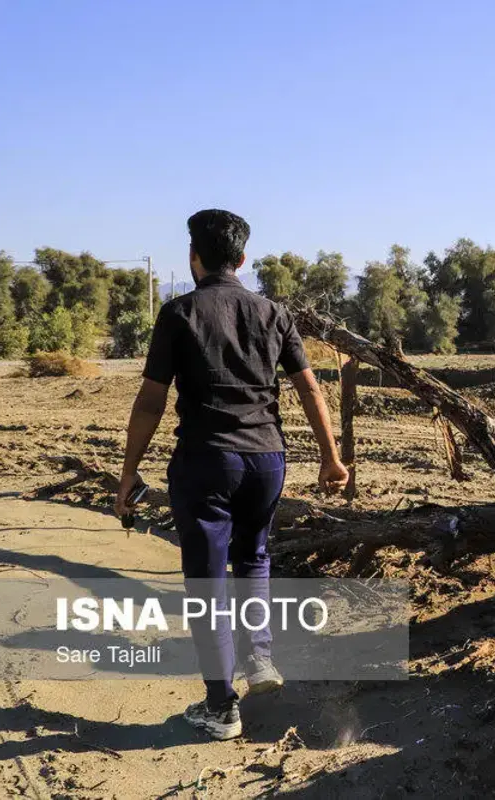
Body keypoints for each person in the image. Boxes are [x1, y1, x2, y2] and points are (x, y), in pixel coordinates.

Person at [114, 209, 349, 740]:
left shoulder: (178, 313)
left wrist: (128, 472)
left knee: (207, 580)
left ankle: (221, 708)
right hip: (267, 459)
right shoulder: (274, 313)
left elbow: (150, 401)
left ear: (193, 256)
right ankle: (259, 659)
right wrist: (330, 457)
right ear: (242, 259)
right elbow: (310, 388)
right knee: (254, 558)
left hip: (207, 460)